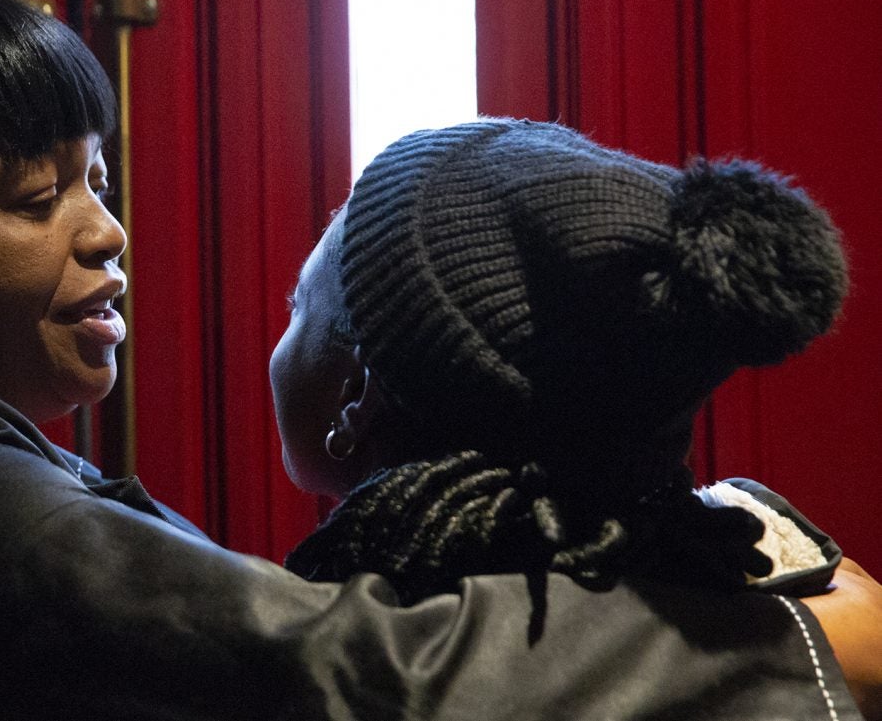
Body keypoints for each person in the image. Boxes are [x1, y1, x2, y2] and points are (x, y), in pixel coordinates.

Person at [0, 0, 873, 720]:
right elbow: (311, 668)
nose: (105, 236)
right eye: (36, 199)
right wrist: (802, 646)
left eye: (100, 183)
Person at [272, 118, 882, 717]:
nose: (283, 331)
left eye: (298, 305)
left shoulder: (343, 660)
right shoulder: (787, 590)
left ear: (356, 393)